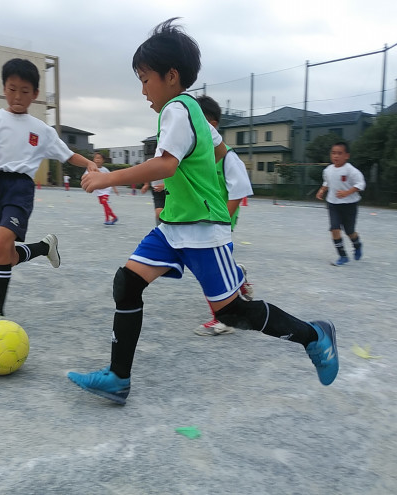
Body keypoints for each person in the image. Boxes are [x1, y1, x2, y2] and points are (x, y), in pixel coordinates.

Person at [67, 18, 339, 405]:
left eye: (145, 79)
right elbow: (213, 150)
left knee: (231, 313)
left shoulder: (178, 109)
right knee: (127, 284)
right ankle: (118, 378)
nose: (142, 89)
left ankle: (315, 336)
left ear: (171, 76)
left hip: (202, 229)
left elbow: (166, 165)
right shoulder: (188, 111)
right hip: (174, 225)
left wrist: (109, 178)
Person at [0, 58, 98, 328]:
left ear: (35, 94)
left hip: (21, 188)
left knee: (0, 245)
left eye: (25, 91)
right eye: (12, 89)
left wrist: (89, 163)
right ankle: (44, 246)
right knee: (3, 255)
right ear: (4, 88)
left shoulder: (41, 130)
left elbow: (67, 154)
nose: (17, 96)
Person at [194, 95, 254, 336]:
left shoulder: (228, 155)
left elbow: (239, 191)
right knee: (214, 264)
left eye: (196, 121)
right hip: (201, 219)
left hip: (220, 219)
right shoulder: (198, 155)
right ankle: (238, 275)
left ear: (212, 125)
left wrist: (222, 221)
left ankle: (225, 319)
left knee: (209, 268)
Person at [315, 141, 365, 266]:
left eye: (339, 153)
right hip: (333, 204)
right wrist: (321, 191)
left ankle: (357, 244)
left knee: (349, 231)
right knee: (334, 229)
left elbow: (361, 184)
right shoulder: (328, 170)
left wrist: (347, 192)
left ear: (346, 156)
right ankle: (342, 255)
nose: (336, 156)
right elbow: (327, 182)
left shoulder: (351, 170)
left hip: (350, 205)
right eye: (333, 153)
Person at [84, 153, 119, 225]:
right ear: (93, 160)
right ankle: (113, 217)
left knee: (104, 203)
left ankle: (107, 219)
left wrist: (114, 188)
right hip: (98, 190)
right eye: (96, 158)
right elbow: (85, 176)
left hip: (106, 189)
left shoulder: (105, 170)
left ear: (103, 160)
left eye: (99, 158)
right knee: (104, 204)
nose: (97, 160)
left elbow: (111, 179)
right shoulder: (90, 169)